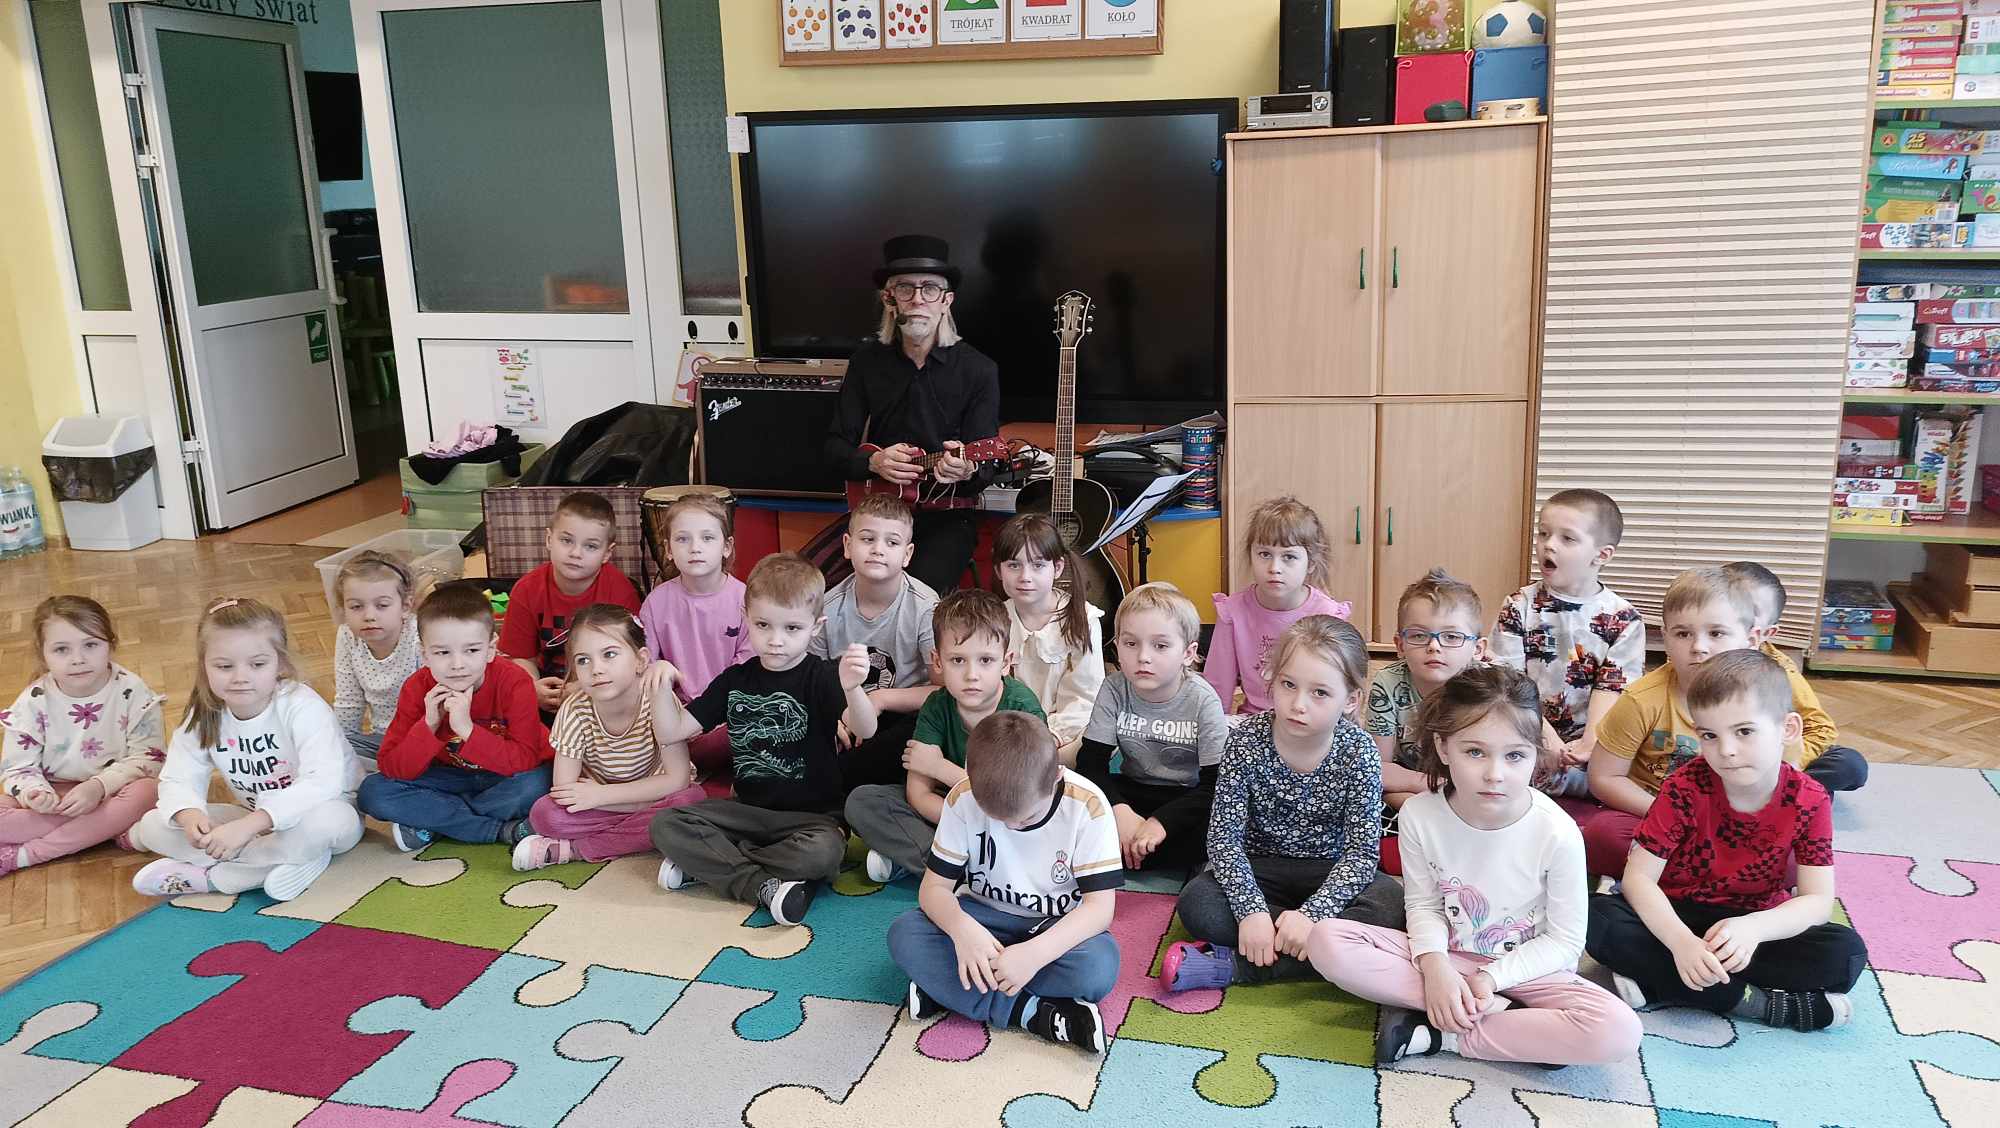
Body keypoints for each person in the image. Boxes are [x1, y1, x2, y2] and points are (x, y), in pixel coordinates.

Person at [1311, 666, 1641, 1068]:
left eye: (1515, 755)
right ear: (1443, 747)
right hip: (1448, 957)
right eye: (1474, 752)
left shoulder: (1558, 832)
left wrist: (1491, 980)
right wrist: (1435, 968)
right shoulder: (1419, 815)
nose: (1494, 774)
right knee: (1326, 940)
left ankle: (1442, 1034)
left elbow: (1565, 942)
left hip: (1531, 972)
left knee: (1618, 1030)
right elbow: (1424, 906)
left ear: (1535, 753)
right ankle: (1514, 1023)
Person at [1586, 650, 1868, 1032]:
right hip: (1678, 914)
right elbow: (1638, 880)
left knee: (1845, 955)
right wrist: (1681, 944)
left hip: (1750, 924)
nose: (1726, 750)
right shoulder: (1683, 786)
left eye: (1744, 731)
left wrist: (1754, 929)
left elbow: (1817, 901)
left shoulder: (1811, 798)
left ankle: (1660, 982)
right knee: (1598, 918)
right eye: (1709, 735)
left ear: (1788, 728)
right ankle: (1758, 1004)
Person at [1162, 615, 1405, 990]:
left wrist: (1312, 915)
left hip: (1329, 870)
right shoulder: (1245, 740)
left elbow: (1360, 855)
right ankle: (1323, 949)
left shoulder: (1360, 752)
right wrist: (1251, 911)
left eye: (1320, 693)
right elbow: (1224, 840)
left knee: (1391, 905)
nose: (1298, 704)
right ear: (1272, 680)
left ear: (1350, 700)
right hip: (1260, 869)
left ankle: (1246, 967)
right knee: (1198, 902)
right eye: (1288, 684)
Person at [648, 553, 878, 926]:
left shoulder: (822, 676)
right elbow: (671, 732)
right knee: (665, 824)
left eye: (792, 628)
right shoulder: (735, 680)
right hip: (746, 813)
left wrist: (853, 689)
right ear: (745, 617)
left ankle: (714, 866)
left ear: (815, 627)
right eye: (763, 625)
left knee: (823, 853)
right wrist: (660, 682)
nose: (775, 640)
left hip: (812, 820)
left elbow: (865, 730)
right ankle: (761, 885)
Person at [887, 712, 1122, 1054]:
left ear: (1057, 776)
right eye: (996, 817)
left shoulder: (1088, 806)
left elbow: (1099, 909)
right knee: (904, 934)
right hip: (981, 917)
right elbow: (933, 889)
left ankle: (950, 988)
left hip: (1052, 926)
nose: (1011, 828)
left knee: (1097, 968)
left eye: (1027, 818)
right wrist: (962, 931)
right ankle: (1030, 1013)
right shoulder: (963, 797)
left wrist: (1035, 955)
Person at [130, 597, 362, 901]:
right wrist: (189, 815)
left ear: (281, 663)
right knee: (152, 826)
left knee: (329, 822)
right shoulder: (205, 712)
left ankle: (216, 879)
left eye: (257, 664)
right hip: (258, 824)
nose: (240, 677)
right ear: (204, 666)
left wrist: (249, 827)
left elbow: (323, 784)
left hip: (323, 812)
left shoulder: (302, 705)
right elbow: (178, 777)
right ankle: (288, 863)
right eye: (224, 666)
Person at [1581, 567, 1804, 877]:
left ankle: (1685, 877)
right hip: (1656, 815)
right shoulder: (1642, 699)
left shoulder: (1768, 698)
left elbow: (1788, 778)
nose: (1698, 647)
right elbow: (1604, 777)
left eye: (1716, 633)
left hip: (1738, 821)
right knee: (1601, 835)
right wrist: (1668, 814)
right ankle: (1711, 878)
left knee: (1794, 856)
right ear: (1665, 638)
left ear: (1751, 638)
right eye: (1683, 633)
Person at [825, 235, 1001, 593]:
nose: (918, 299)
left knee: (913, 593)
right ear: (889, 299)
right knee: (815, 589)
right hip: (878, 514)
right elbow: (834, 447)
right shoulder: (866, 363)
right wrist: (873, 463)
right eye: (905, 288)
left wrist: (968, 470)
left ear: (946, 301)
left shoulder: (979, 370)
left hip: (946, 516)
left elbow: (986, 467)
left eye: (930, 289)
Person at [847, 589, 1046, 883]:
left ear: (1006, 662)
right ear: (937, 662)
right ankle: (967, 868)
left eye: (986, 660)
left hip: (1012, 817)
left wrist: (941, 769)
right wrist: (965, 823)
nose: (971, 674)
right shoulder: (937, 705)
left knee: (1037, 824)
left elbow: (1020, 803)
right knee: (863, 802)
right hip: (953, 809)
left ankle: (938, 863)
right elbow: (918, 795)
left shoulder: (1022, 709)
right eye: (957, 660)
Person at [360, 583, 553, 852]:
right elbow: (392, 767)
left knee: (539, 784)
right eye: (442, 652)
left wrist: (467, 730)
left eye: (472, 650)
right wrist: (428, 725)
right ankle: (496, 829)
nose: (457, 665)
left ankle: (435, 819)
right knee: (373, 792)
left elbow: (525, 759)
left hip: (505, 777)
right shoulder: (417, 688)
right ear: (424, 654)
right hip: (448, 776)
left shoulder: (515, 682)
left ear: (491, 649)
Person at [514, 604, 707, 871]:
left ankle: (577, 849)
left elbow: (678, 779)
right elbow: (565, 789)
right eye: (583, 660)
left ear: (641, 660)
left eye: (609, 654)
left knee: (691, 800)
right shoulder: (574, 710)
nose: (596, 669)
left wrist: (603, 795)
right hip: (620, 802)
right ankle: (651, 832)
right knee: (545, 815)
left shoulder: (657, 699)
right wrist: (633, 804)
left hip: (635, 796)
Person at [1489, 489, 1645, 792]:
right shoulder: (1519, 605)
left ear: (1601, 555)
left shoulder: (1624, 618)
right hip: (1525, 728)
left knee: (1620, 775)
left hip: (1592, 742)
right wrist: (1545, 738)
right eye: (1543, 533)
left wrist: (1588, 744)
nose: (1548, 545)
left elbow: (1612, 689)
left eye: (1567, 538)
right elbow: (1507, 680)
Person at [1, 596, 165, 876]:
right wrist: (35, 794)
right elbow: (17, 768)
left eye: (91, 645)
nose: (78, 659)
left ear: (110, 644)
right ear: (43, 654)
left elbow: (150, 759)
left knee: (150, 791)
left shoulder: (133, 692)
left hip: (114, 791)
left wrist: (98, 787)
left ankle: (25, 855)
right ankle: (107, 829)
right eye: (61, 649)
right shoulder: (32, 702)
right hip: (56, 796)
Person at [1075, 582, 1227, 872]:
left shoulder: (1203, 700)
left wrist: (1160, 824)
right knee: (1071, 802)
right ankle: (1135, 848)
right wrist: (1121, 813)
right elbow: (1090, 765)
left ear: (1188, 653)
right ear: (1116, 646)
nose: (1143, 656)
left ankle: (1130, 851)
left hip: (1187, 799)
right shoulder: (1114, 688)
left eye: (1160, 646)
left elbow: (1216, 785)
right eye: (1131, 643)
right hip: (1132, 792)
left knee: (1223, 825)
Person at [812, 494, 940, 789]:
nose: (878, 549)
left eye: (892, 543)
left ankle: (842, 786)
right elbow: (812, 678)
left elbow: (942, 691)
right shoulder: (827, 607)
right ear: (848, 546)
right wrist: (834, 716)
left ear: (907, 554)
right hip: (844, 713)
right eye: (867, 539)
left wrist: (880, 699)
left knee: (914, 735)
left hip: (901, 714)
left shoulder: (925, 608)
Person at [1720, 561, 1868, 794]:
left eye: (1750, 612)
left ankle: (1792, 791)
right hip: (1714, 754)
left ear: (1766, 632)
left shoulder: (1779, 671)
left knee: (1849, 764)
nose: (1736, 618)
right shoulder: (1693, 654)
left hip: (1769, 759)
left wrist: (1787, 764)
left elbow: (1820, 728)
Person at [1205, 497, 1353, 717]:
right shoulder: (1232, 612)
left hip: (1308, 721)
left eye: (1289, 557)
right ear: (1251, 555)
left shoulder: (1328, 615)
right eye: (1264, 554)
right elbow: (1216, 690)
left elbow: (1336, 691)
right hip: (1254, 721)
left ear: (1311, 563)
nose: (1274, 568)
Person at [637, 493, 752, 775]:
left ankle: (688, 763)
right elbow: (645, 665)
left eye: (707, 538)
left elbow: (748, 670)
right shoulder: (656, 602)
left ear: (726, 547)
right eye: (683, 539)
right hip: (676, 715)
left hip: (728, 712)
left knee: (739, 735)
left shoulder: (746, 600)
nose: (695, 548)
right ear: (668, 549)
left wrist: (710, 714)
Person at [499, 491, 643, 715]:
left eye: (590, 546)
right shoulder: (526, 590)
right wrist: (531, 688)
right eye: (566, 541)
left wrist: (584, 688)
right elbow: (521, 656)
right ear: (549, 540)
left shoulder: (620, 592)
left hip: (601, 692)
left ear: (607, 553)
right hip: (544, 689)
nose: (576, 553)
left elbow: (629, 660)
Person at [1368, 569, 1494, 813]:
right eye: (1418, 635)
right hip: (1411, 785)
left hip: (1475, 783)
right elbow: (1376, 768)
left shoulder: (1488, 685)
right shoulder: (1388, 683)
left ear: (1477, 649)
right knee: (1378, 795)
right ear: (1400, 645)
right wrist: (1430, 786)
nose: (1434, 646)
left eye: (1451, 636)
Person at [995, 513, 1105, 763]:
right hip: (1010, 734)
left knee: (1093, 741)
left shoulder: (1083, 619)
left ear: (1057, 568)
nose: (1025, 576)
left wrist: (1051, 736)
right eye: (1013, 565)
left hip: (1065, 736)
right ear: (998, 570)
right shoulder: (994, 620)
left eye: (1038, 565)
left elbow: (1085, 697)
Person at [330, 550, 422, 772]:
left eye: (382, 605)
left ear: (405, 606)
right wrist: (340, 751)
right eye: (356, 607)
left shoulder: (420, 635)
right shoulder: (347, 636)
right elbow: (349, 701)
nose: (369, 616)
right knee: (329, 748)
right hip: (382, 740)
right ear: (343, 609)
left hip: (425, 739)